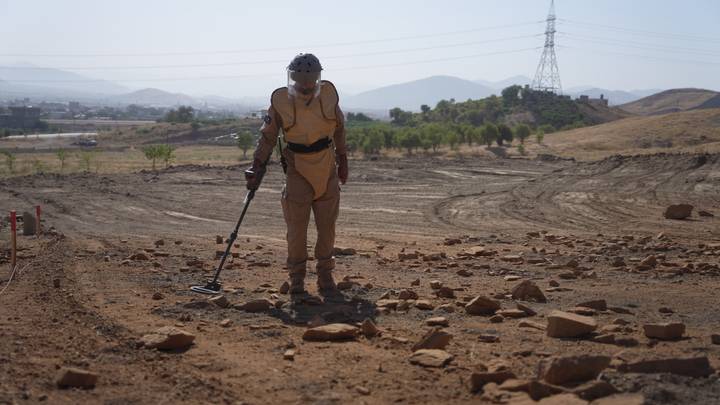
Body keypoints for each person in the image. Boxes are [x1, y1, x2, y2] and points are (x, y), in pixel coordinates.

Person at [245, 53, 348, 296]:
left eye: (311, 83)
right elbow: (268, 136)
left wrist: (343, 161)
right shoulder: (280, 100)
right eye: (301, 83)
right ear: (292, 79)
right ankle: (297, 280)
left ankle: (325, 276)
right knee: (297, 228)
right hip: (297, 169)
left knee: (327, 227)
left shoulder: (329, 95)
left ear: (318, 79)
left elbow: (340, 128)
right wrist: (257, 164)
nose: (306, 88)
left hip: (326, 166)